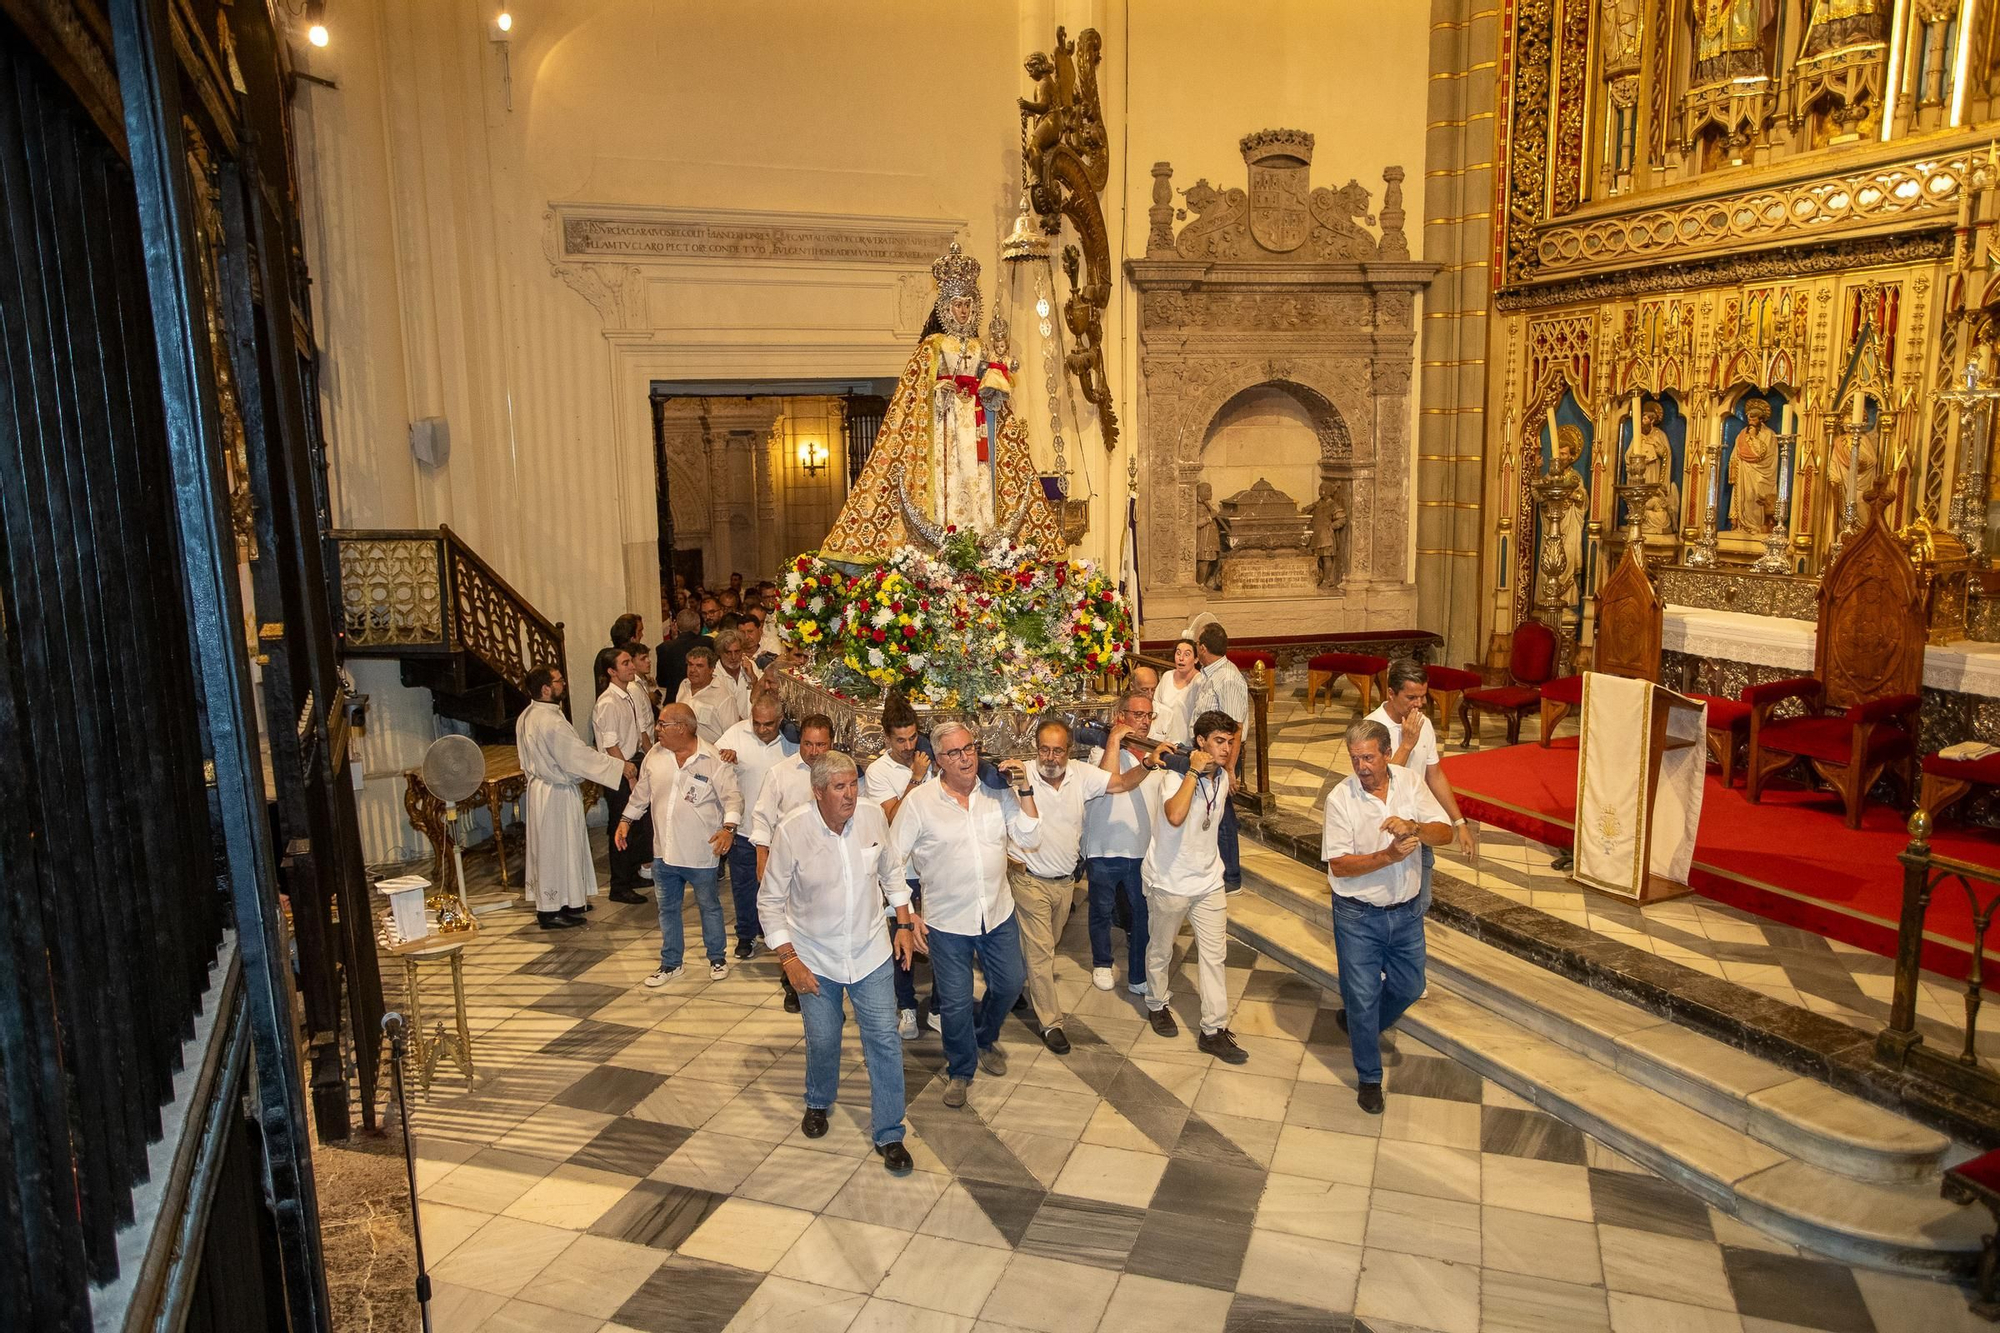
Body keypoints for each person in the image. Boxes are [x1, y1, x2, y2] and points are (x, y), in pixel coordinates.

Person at [817, 242, 1063, 563]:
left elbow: (995, 383)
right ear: (946, 307)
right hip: (943, 426)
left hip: (976, 425)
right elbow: (915, 392)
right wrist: (941, 388)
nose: (963, 311)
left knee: (982, 476)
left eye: (968, 305)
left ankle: (982, 532)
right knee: (948, 475)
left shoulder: (980, 346)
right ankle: (945, 535)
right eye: (957, 304)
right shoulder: (932, 347)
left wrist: (994, 382)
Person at [763, 752, 916, 1174]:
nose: (850, 795)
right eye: (839, 787)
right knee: (825, 1038)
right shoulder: (792, 831)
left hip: (870, 952)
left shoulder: (871, 817)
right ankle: (817, 1100)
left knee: (884, 1039)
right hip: (815, 956)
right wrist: (788, 959)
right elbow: (770, 902)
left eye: (853, 784)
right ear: (817, 792)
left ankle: (889, 1132)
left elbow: (892, 874)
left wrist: (903, 923)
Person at [882, 718, 1040, 1107]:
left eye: (970, 748)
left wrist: (1024, 788)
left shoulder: (996, 793)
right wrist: (905, 914)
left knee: (1010, 983)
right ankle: (960, 1069)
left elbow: (1031, 837)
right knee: (954, 1002)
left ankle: (985, 1037)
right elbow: (890, 859)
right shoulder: (920, 803)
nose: (966, 757)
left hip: (996, 913)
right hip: (946, 923)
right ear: (938, 760)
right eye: (955, 752)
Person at [1323, 717, 1454, 1113]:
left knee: (1410, 986)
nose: (1361, 767)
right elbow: (1340, 866)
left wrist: (1415, 825)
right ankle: (1369, 1077)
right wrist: (1388, 855)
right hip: (1358, 915)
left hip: (1407, 911)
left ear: (1385, 753)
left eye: (1368, 758)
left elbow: (1443, 832)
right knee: (1361, 997)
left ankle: (1364, 1024)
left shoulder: (1410, 784)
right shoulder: (1340, 800)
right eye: (1354, 759)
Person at [1012, 718, 1151, 1054]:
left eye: (1057, 750)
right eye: (1044, 749)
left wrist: (1146, 764)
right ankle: (1051, 1023)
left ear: (1068, 751)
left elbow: (1118, 783)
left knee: (1047, 943)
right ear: (1036, 749)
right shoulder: (1021, 776)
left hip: (1065, 882)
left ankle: (1011, 981)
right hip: (1028, 879)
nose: (1050, 757)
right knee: (1043, 953)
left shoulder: (1081, 775)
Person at [1134, 709, 1249, 1065]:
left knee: (1215, 957)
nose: (1227, 748)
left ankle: (1213, 1030)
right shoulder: (1174, 775)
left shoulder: (1222, 777)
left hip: (1208, 880)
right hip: (1169, 880)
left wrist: (1222, 772)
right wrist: (1194, 771)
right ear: (1200, 742)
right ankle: (1156, 1002)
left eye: (1230, 742)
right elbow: (1175, 815)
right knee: (1161, 949)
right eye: (1218, 741)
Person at [621, 704, 742, 986]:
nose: (657, 729)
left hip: (700, 850)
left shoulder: (713, 758)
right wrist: (626, 819)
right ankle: (671, 963)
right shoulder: (655, 756)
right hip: (664, 850)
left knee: (708, 906)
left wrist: (728, 829)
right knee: (667, 909)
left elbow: (733, 798)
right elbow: (641, 794)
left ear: (683, 728)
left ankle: (717, 957)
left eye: (663, 724)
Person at [516, 666, 631, 930]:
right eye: (558, 681)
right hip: (554, 793)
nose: (564, 684)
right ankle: (550, 910)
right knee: (555, 850)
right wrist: (618, 766)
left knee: (564, 847)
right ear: (546, 688)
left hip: (544, 791)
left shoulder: (529, 714)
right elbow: (577, 757)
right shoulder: (550, 721)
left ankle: (568, 900)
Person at [1367, 659, 1477, 917]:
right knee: (1386, 903)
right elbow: (1378, 784)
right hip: (1383, 829)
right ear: (1391, 693)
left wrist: (1459, 823)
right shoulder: (1371, 728)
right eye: (1411, 697)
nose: (1419, 704)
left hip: (1418, 825)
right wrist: (1406, 744)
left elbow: (1435, 774)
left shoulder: (1423, 724)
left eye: (1423, 696)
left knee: (1421, 900)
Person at [752, 715, 838, 1012]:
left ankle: (831, 979)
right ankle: (791, 983)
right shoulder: (780, 773)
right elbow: (762, 817)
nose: (814, 751)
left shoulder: (843, 772)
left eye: (821, 745)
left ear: (832, 744)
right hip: (790, 862)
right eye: (808, 744)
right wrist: (762, 857)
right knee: (792, 925)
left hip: (829, 861)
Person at [866, 695, 937, 1038]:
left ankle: (938, 1007)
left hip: (933, 867)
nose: (909, 746)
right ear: (886, 739)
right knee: (902, 941)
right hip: (901, 871)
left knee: (941, 939)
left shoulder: (929, 759)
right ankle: (907, 1006)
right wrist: (916, 778)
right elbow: (892, 818)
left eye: (912, 737)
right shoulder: (878, 771)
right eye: (900, 740)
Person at [1083, 692, 1162, 996]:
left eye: (1148, 716)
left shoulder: (1155, 754)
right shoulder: (1098, 751)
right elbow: (1107, 782)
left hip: (1140, 849)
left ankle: (1138, 973)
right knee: (1101, 909)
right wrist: (1115, 739)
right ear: (1121, 717)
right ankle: (1102, 962)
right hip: (1104, 847)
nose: (1144, 722)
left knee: (1142, 913)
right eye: (1137, 715)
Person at [716, 695, 797, 960]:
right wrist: (723, 758)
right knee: (745, 887)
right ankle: (746, 935)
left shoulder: (793, 742)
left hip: (784, 836)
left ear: (781, 720)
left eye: (769, 724)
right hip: (746, 831)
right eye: (757, 723)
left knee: (785, 890)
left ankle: (781, 936)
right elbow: (710, 761)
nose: (762, 729)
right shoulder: (735, 735)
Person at [1188, 622, 1248, 893]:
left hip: (1222, 757)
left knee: (1224, 817)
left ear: (1202, 648)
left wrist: (1230, 768)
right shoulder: (1210, 674)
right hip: (1207, 755)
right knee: (1213, 810)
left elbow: (1235, 727)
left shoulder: (1228, 677)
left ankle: (1231, 877)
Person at [592, 645, 652, 904]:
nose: (631, 666)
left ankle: (632, 872)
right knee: (622, 825)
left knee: (639, 825)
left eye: (630, 662)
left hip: (634, 761)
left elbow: (640, 732)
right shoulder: (607, 701)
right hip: (619, 768)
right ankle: (619, 885)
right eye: (625, 663)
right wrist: (627, 770)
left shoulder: (628, 694)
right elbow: (609, 742)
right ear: (611, 671)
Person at [677, 644, 744, 744]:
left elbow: (732, 734)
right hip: (683, 749)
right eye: (690, 664)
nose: (693, 670)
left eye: (699, 666)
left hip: (711, 753)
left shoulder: (724, 696)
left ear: (711, 669)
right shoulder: (684, 685)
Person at [1151, 640, 1198, 745]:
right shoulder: (1167, 676)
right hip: (1163, 740)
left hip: (1187, 743)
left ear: (1196, 659)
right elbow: (1156, 705)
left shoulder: (1199, 682)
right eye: (1178, 653)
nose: (1181, 658)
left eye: (1187, 654)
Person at [657, 607, 706, 703]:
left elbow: (662, 681)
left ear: (677, 626)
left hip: (674, 701)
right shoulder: (708, 643)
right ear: (698, 626)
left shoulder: (664, 648)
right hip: (703, 699)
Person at [715, 629, 758, 714]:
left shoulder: (750, 665)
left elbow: (762, 698)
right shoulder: (713, 674)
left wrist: (753, 678)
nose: (733, 657)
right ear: (719, 653)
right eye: (728, 652)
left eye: (737, 651)